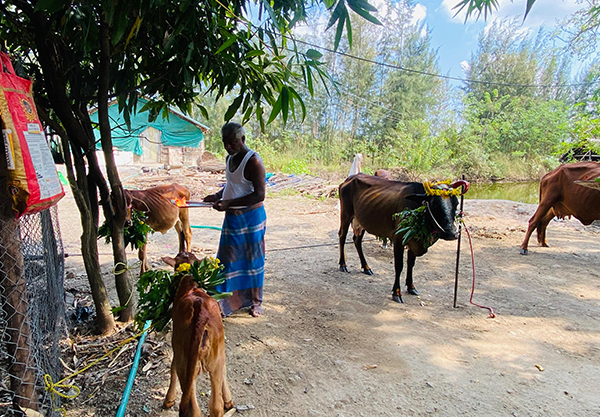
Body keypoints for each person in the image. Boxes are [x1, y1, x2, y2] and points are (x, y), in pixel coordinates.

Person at [203, 122, 266, 317]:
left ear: (243, 139)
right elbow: (232, 184)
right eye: (225, 143)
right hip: (233, 219)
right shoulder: (229, 159)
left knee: (253, 260)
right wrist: (217, 195)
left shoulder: (253, 161)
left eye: (232, 143)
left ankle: (256, 302)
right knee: (227, 260)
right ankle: (226, 302)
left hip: (251, 218)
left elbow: (259, 195)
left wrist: (228, 203)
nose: (228, 147)